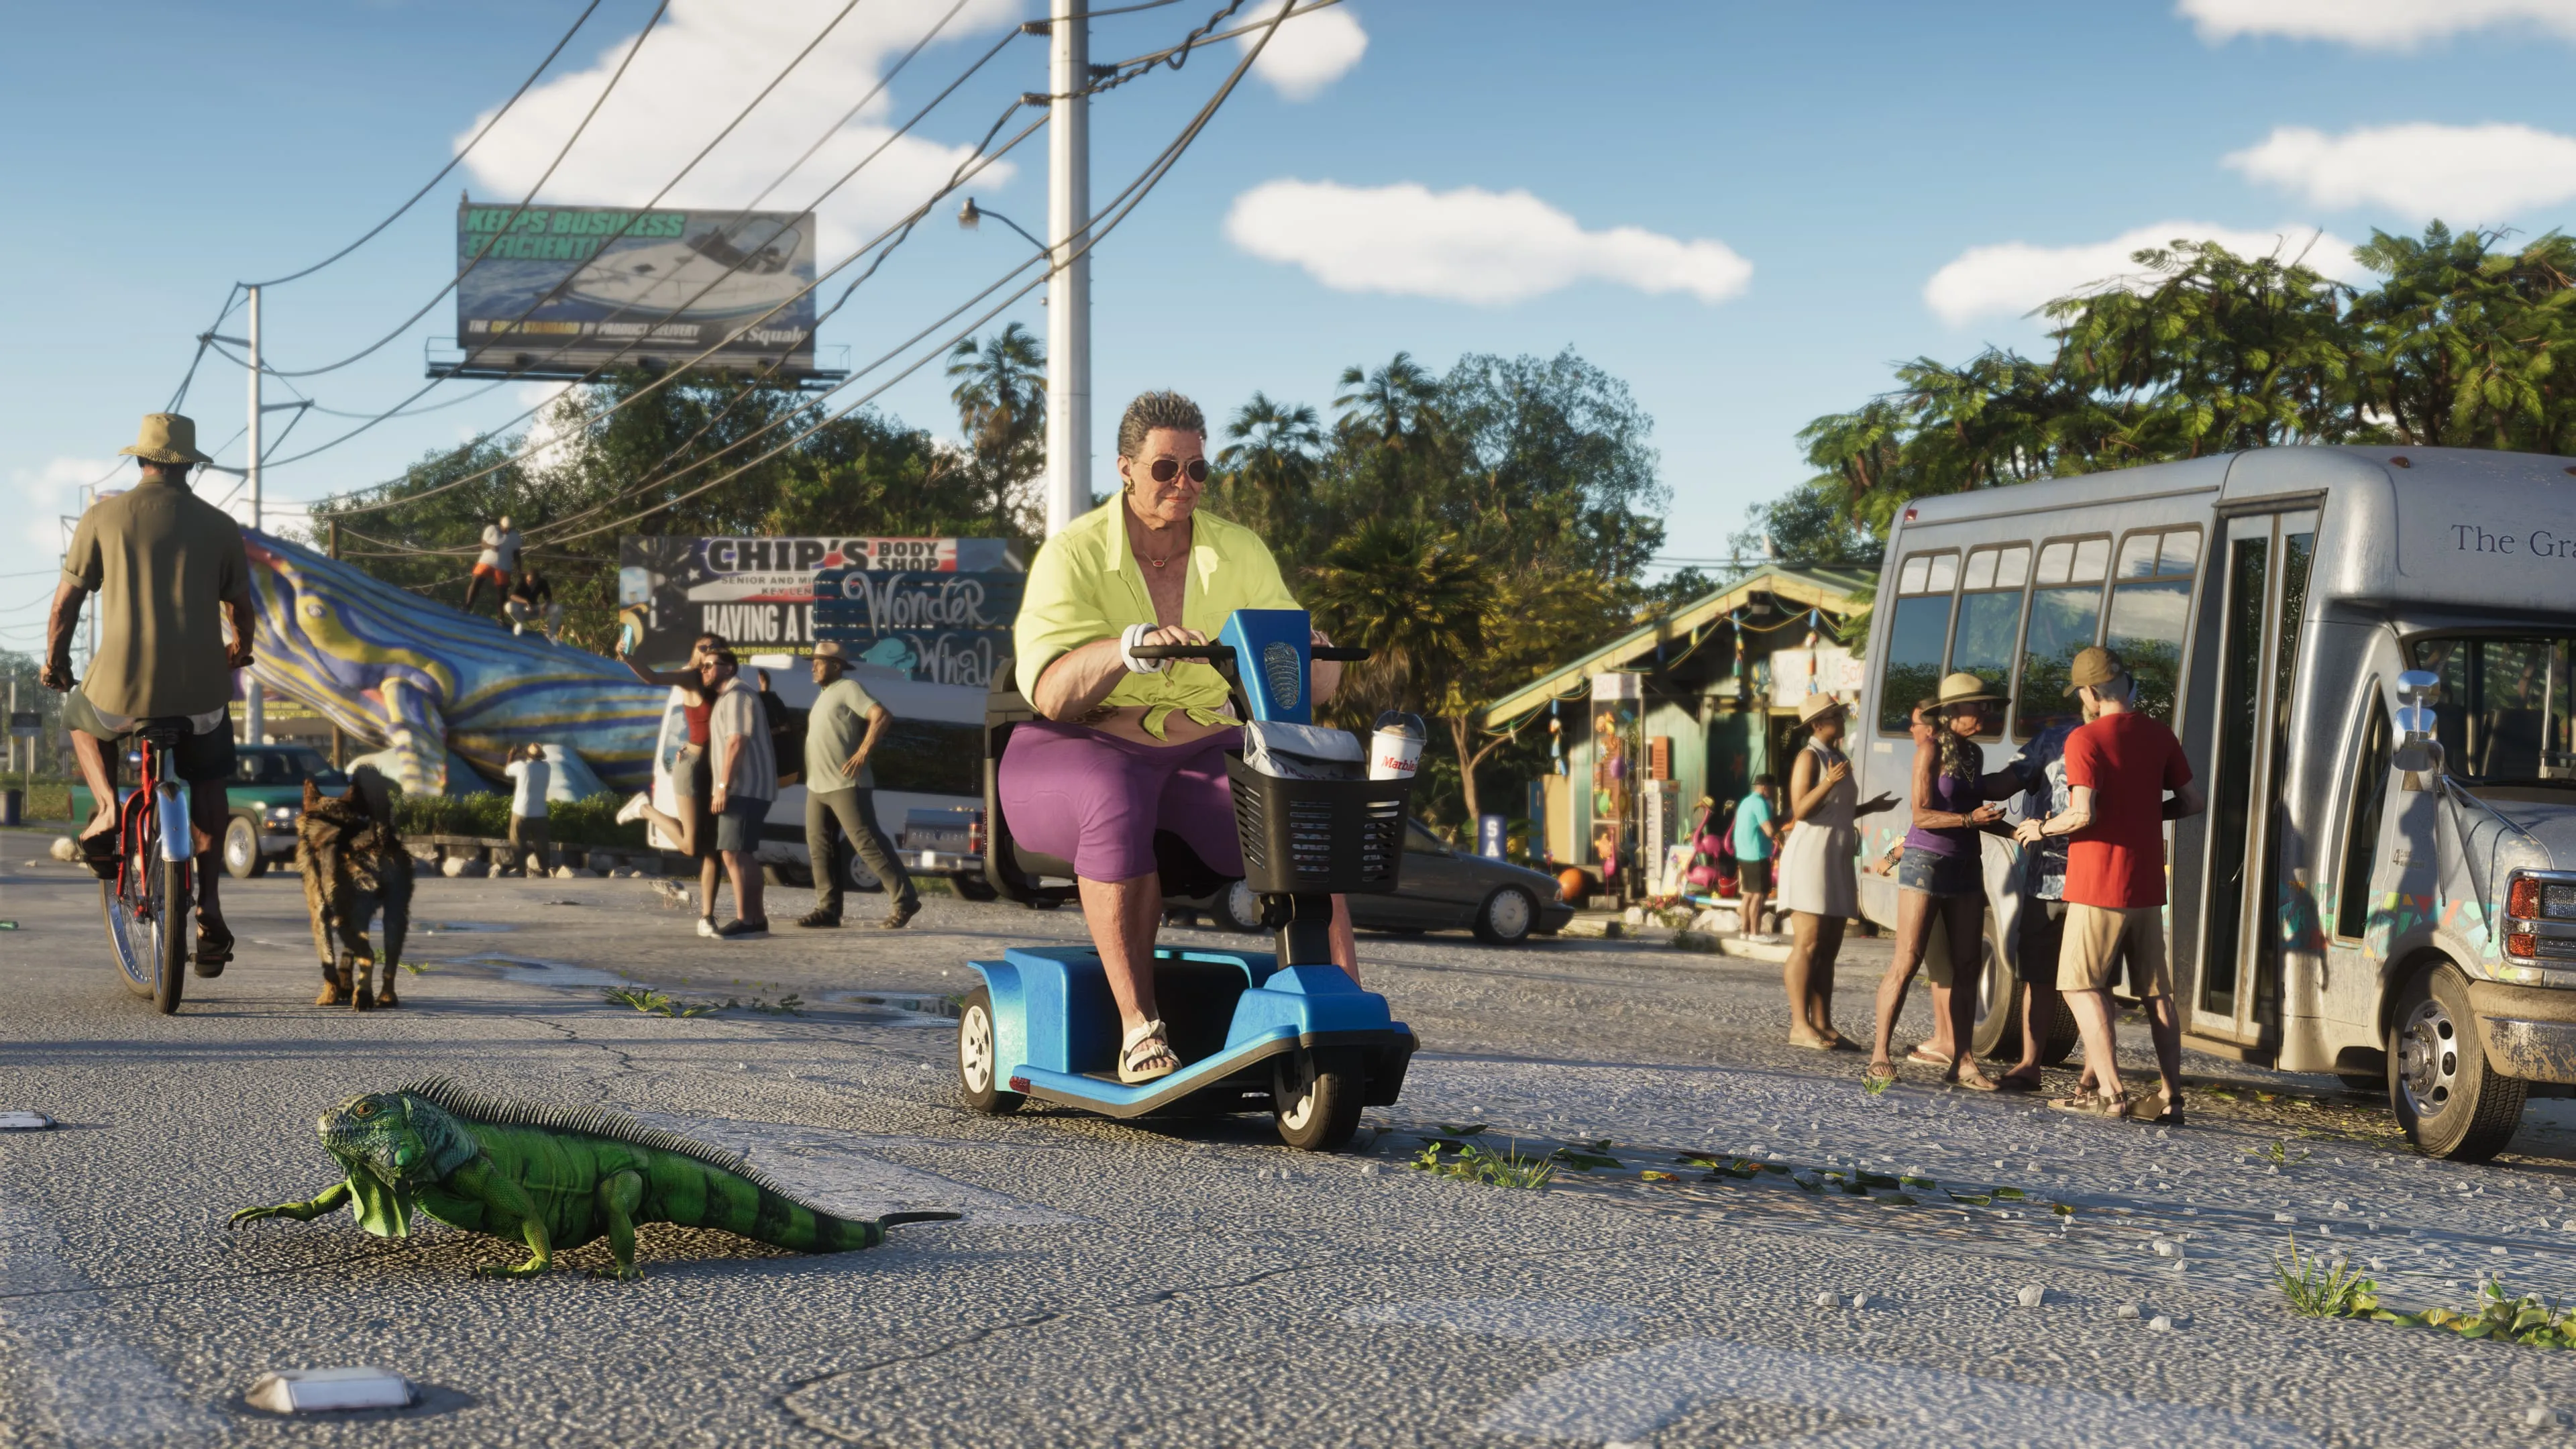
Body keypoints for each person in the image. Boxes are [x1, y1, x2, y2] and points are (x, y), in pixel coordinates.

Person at [1000, 390, 1350, 1085]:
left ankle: (1341, 1012)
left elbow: (1309, 689)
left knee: (1301, 813)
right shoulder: (1070, 554)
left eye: (1197, 471)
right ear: (1126, 468)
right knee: (1113, 794)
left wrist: (1315, 656)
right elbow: (1053, 694)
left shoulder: (1238, 551)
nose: (1183, 486)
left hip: (1195, 749)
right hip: (1073, 749)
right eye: (1166, 469)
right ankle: (1138, 1030)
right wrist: (1129, 648)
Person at [40, 413, 255, 973]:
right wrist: (240, 650)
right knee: (208, 779)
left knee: (79, 714)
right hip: (200, 695)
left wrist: (55, 663)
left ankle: (110, 810)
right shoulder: (220, 524)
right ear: (188, 467)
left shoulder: (102, 516)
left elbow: (65, 605)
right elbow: (241, 608)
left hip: (119, 690)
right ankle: (208, 907)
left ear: (141, 460)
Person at [2017, 647, 2205, 1122]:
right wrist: (2146, 813)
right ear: (2126, 683)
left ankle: (2113, 1094)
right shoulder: (2159, 734)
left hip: (2098, 883)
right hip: (2145, 884)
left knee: (2080, 986)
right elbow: (2192, 801)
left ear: (2090, 692)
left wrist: (2040, 828)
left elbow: (2083, 814)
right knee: (2156, 993)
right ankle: (2170, 1097)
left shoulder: (2085, 739)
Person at [1868, 674, 2012, 1091]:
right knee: (1908, 959)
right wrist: (1970, 819)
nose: (1984, 713)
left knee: (1969, 964)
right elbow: (1921, 815)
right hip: (1926, 862)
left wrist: (2016, 831)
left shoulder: (1974, 754)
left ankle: (1963, 1060)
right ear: (1952, 712)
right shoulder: (1929, 750)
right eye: (1977, 706)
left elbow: (1975, 811)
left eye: (1987, 706)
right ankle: (1880, 1053)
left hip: (1967, 862)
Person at [1773, 694, 1898, 1050]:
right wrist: (1827, 782)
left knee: (1829, 947)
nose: (1843, 720)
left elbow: (1835, 812)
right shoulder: (1809, 757)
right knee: (1808, 943)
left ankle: (1824, 1024)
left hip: (1837, 854)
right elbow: (1801, 809)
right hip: (1810, 855)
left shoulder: (1837, 757)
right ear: (1817, 724)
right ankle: (1800, 1025)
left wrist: (1869, 807)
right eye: (1835, 716)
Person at [1996, 676, 2085, 1092]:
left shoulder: (2050, 740)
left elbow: (2008, 782)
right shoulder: (2121, 738)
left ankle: (2031, 1065)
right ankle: (2094, 1074)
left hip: (2049, 879)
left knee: (2041, 977)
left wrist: (1963, 790)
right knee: (2091, 980)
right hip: (2094, 881)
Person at [796, 641, 920, 930]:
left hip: (846, 784)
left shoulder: (848, 688)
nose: (813, 666)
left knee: (867, 843)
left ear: (836, 665)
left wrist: (864, 751)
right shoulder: (824, 694)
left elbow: (881, 715)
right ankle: (828, 910)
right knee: (820, 848)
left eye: (819, 661)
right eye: (813, 661)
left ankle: (905, 900)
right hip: (818, 786)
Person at [616, 631, 727, 936]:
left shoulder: (724, 685)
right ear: (694, 653)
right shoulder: (691, 677)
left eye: (715, 649)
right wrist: (628, 658)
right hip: (692, 768)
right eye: (702, 647)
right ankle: (645, 810)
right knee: (692, 846)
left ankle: (707, 917)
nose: (708, 652)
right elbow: (652, 678)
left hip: (717, 772)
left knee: (713, 850)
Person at [704, 649, 776, 938]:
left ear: (729, 668)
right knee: (742, 852)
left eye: (711, 665)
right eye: (703, 666)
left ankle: (746, 920)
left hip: (744, 788)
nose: (705, 670)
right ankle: (756, 918)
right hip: (749, 788)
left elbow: (736, 742)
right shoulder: (731, 696)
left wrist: (723, 787)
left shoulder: (737, 695)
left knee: (733, 852)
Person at [1732, 775, 1783, 942]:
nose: (1773, 792)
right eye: (1772, 788)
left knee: (1747, 894)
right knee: (1759, 895)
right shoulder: (1760, 803)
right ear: (1765, 787)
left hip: (1743, 853)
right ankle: (1756, 933)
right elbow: (1769, 831)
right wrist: (1783, 824)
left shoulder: (1746, 801)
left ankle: (1745, 932)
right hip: (1757, 854)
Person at [504, 743, 552, 876]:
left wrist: (511, 754)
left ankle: (521, 869)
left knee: (517, 840)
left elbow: (507, 770)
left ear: (527, 755)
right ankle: (545, 869)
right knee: (542, 843)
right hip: (541, 812)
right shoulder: (546, 767)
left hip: (521, 811)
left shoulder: (522, 767)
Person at [466, 515, 520, 613]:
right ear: (500, 525)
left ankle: (500, 617)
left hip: (503, 566)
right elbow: (483, 544)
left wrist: (519, 567)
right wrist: (491, 546)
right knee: (477, 580)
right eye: (505, 528)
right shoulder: (491, 529)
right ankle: (468, 605)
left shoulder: (515, 536)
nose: (507, 531)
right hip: (486, 562)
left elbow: (517, 553)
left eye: (509, 529)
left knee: (502, 591)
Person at [503, 568, 561, 642]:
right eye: (527, 580)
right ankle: (519, 623)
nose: (529, 583)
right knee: (508, 606)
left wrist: (544, 608)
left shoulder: (542, 582)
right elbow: (512, 596)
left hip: (535, 609)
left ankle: (550, 634)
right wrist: (525, 602)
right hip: (521, 608)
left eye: (531, 581)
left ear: (537, 581)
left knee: (557, 608)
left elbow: (549, 598)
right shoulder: (522, 580)